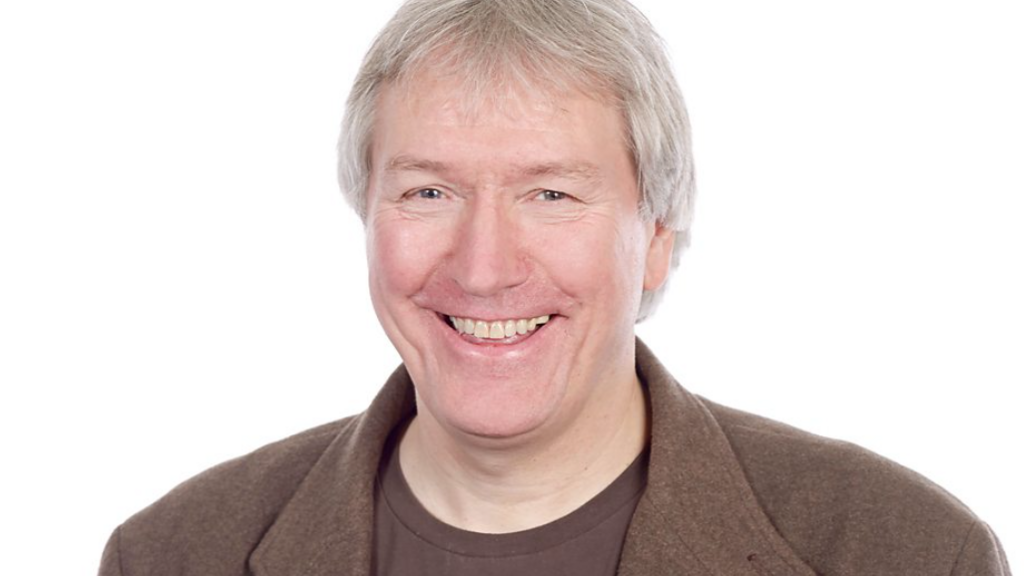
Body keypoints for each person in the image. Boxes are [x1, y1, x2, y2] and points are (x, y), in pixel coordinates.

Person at [98, 1, 1011, 575]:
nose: (484, 265)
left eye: (552, 194)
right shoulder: (174, 556)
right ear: (364, 216)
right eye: (428, 191)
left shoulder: (902, 553)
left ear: (656, 238)